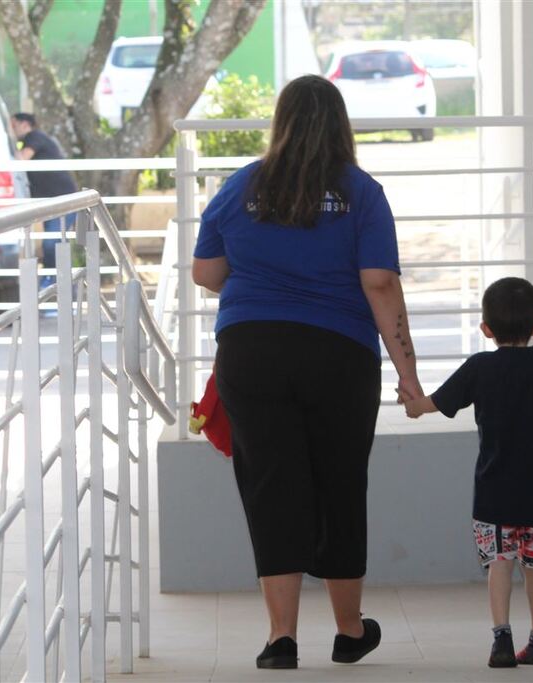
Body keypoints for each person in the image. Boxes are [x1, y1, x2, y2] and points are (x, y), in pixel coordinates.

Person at [190, 75, 423, 670]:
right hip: (338, 353)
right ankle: (349, 631)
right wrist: (409, 376)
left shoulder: (241, 185)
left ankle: (280, 639)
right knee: (340, 484)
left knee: (272, 487)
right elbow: (380, 283)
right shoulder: (361, 192)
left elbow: (205, 273)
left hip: (252, 349)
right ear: (340, 125)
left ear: (280, 121)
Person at [403, 277, 533, 669]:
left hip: (494, 489)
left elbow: (436, 402)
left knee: (499, 563)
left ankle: (501, 640)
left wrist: (412, 405)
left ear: (486, 329)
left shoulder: (481, 367)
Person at [9, 113, 79, 288]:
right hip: (52, 202)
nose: (12, 129)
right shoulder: (33, 140)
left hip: (62, 201)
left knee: (52, 244)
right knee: (52, 244)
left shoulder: (36, 136)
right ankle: (55, 283)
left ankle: (54, 282)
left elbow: (22, 159)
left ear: (25, 124)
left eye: (14, 125)